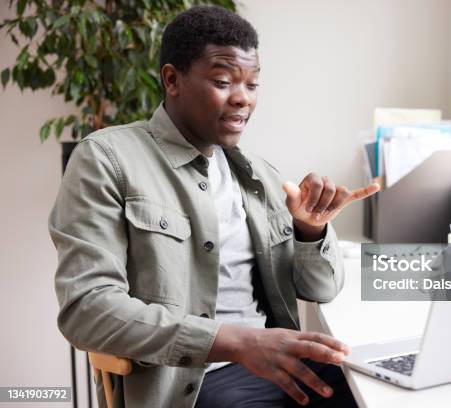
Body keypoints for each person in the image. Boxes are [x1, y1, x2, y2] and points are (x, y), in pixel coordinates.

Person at [49, 5, 379, 408]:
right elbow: (88, 309)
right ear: (172, 79)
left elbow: (321, 289)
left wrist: (310, 231)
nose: (242, 99)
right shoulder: (106, 159)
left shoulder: (259, 175)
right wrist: (236, 342)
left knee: (383, 391)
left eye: (252, 85)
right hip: (189, 385)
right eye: (223, 81)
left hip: (278, 366)